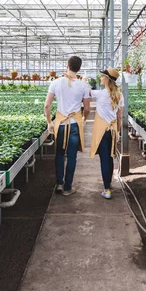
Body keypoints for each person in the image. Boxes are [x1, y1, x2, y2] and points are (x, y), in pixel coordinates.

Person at [44, 56, 91, 196]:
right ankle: (68, 188)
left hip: (61, 124)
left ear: (67, 66)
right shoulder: (83, 85)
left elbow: (47, 105)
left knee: (59, 154)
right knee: (72, 156)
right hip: (75, 124)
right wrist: (84, 119)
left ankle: (59, 183)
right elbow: (87, 108)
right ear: (79, 68)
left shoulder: (56, 83)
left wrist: (49, 122)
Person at [89, 67, 124, 199]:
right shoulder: (119, 95)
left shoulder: (100, 94)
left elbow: (85, 92)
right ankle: (108, 185)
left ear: (108, 80)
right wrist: (118, 132)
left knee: (104, 159)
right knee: (110, 157)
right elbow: (119, 117)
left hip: (102, 131)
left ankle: (107, 189)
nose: (101, 78)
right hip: (113, 131)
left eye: (103, 76)